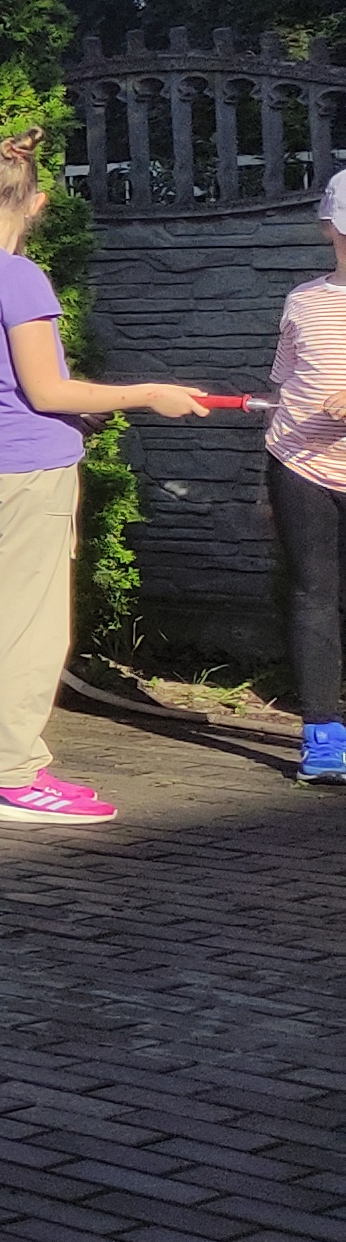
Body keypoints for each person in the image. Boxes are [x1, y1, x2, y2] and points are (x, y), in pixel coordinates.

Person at [0, 133, 206, 826]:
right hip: (25, 466)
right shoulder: (18, 276)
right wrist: (150, 394)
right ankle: (16, 778)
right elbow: (47, 391)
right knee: (27, 626)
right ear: (37, 202)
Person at [265, 174, 346, 786]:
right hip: (299, 465)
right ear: (329, 229)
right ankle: (322, 735)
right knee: (314, 595)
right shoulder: (303, 301)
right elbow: (285, 380)